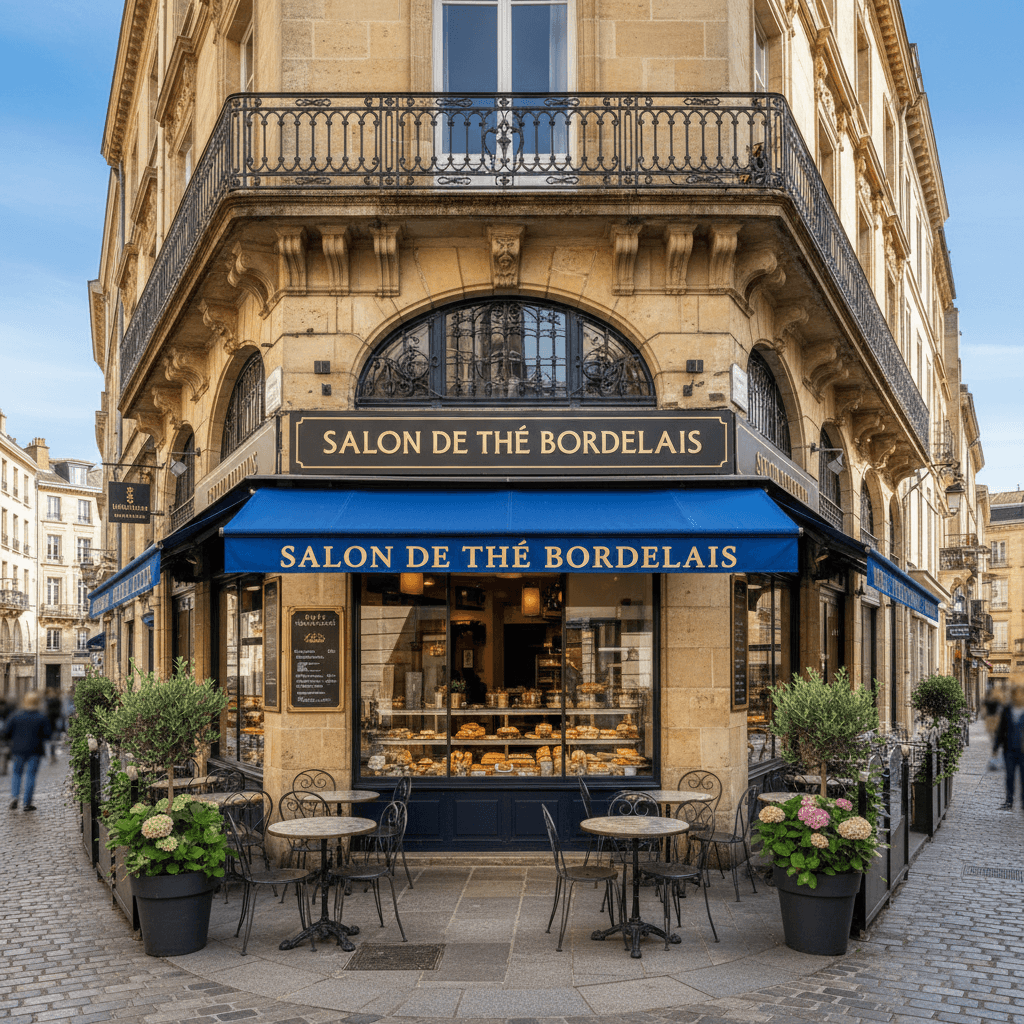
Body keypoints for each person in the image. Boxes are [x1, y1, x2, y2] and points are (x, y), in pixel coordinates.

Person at [3, 691, 52, 812]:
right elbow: (48, 734)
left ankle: (14, 796)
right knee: (30, 775)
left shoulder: (16, 715)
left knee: (17, 774)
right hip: (35, 749)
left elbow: (5, 731)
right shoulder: (41, 717)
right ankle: (27, 802)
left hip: (18, 749)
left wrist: (13, 738)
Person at [992, 684, 1024, 811]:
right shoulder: (1007, 709)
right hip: (1009, 749)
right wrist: (995, 747)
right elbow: (1001, 729)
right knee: (1009, 776)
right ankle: (1009, 801)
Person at [45, 688, 63, 763]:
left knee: (53, 740)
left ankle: (52, 755)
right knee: (53, 740)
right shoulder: (55, 701)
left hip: (52, 722)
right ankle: (52, 755)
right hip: (53, 722)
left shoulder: (49, 701)